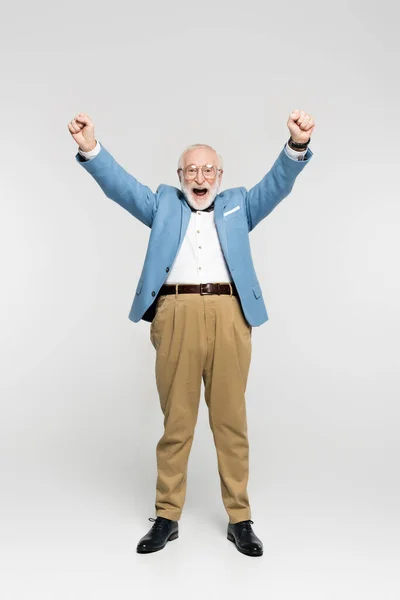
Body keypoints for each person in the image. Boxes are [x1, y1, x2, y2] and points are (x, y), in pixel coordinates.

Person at [68, 109, 315, 557]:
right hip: (176, 313)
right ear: (179, 176)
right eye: (191, 170)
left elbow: (277, 184)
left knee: (230, 422)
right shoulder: (163, 203)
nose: (199, 177)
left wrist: (296, 146)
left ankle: (240, 519)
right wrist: (91, 148)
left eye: (208, 169)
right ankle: (167, 516)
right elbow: (120, 187)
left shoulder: (240, 203)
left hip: (229, 314)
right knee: (176, 422)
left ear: (219, 175)